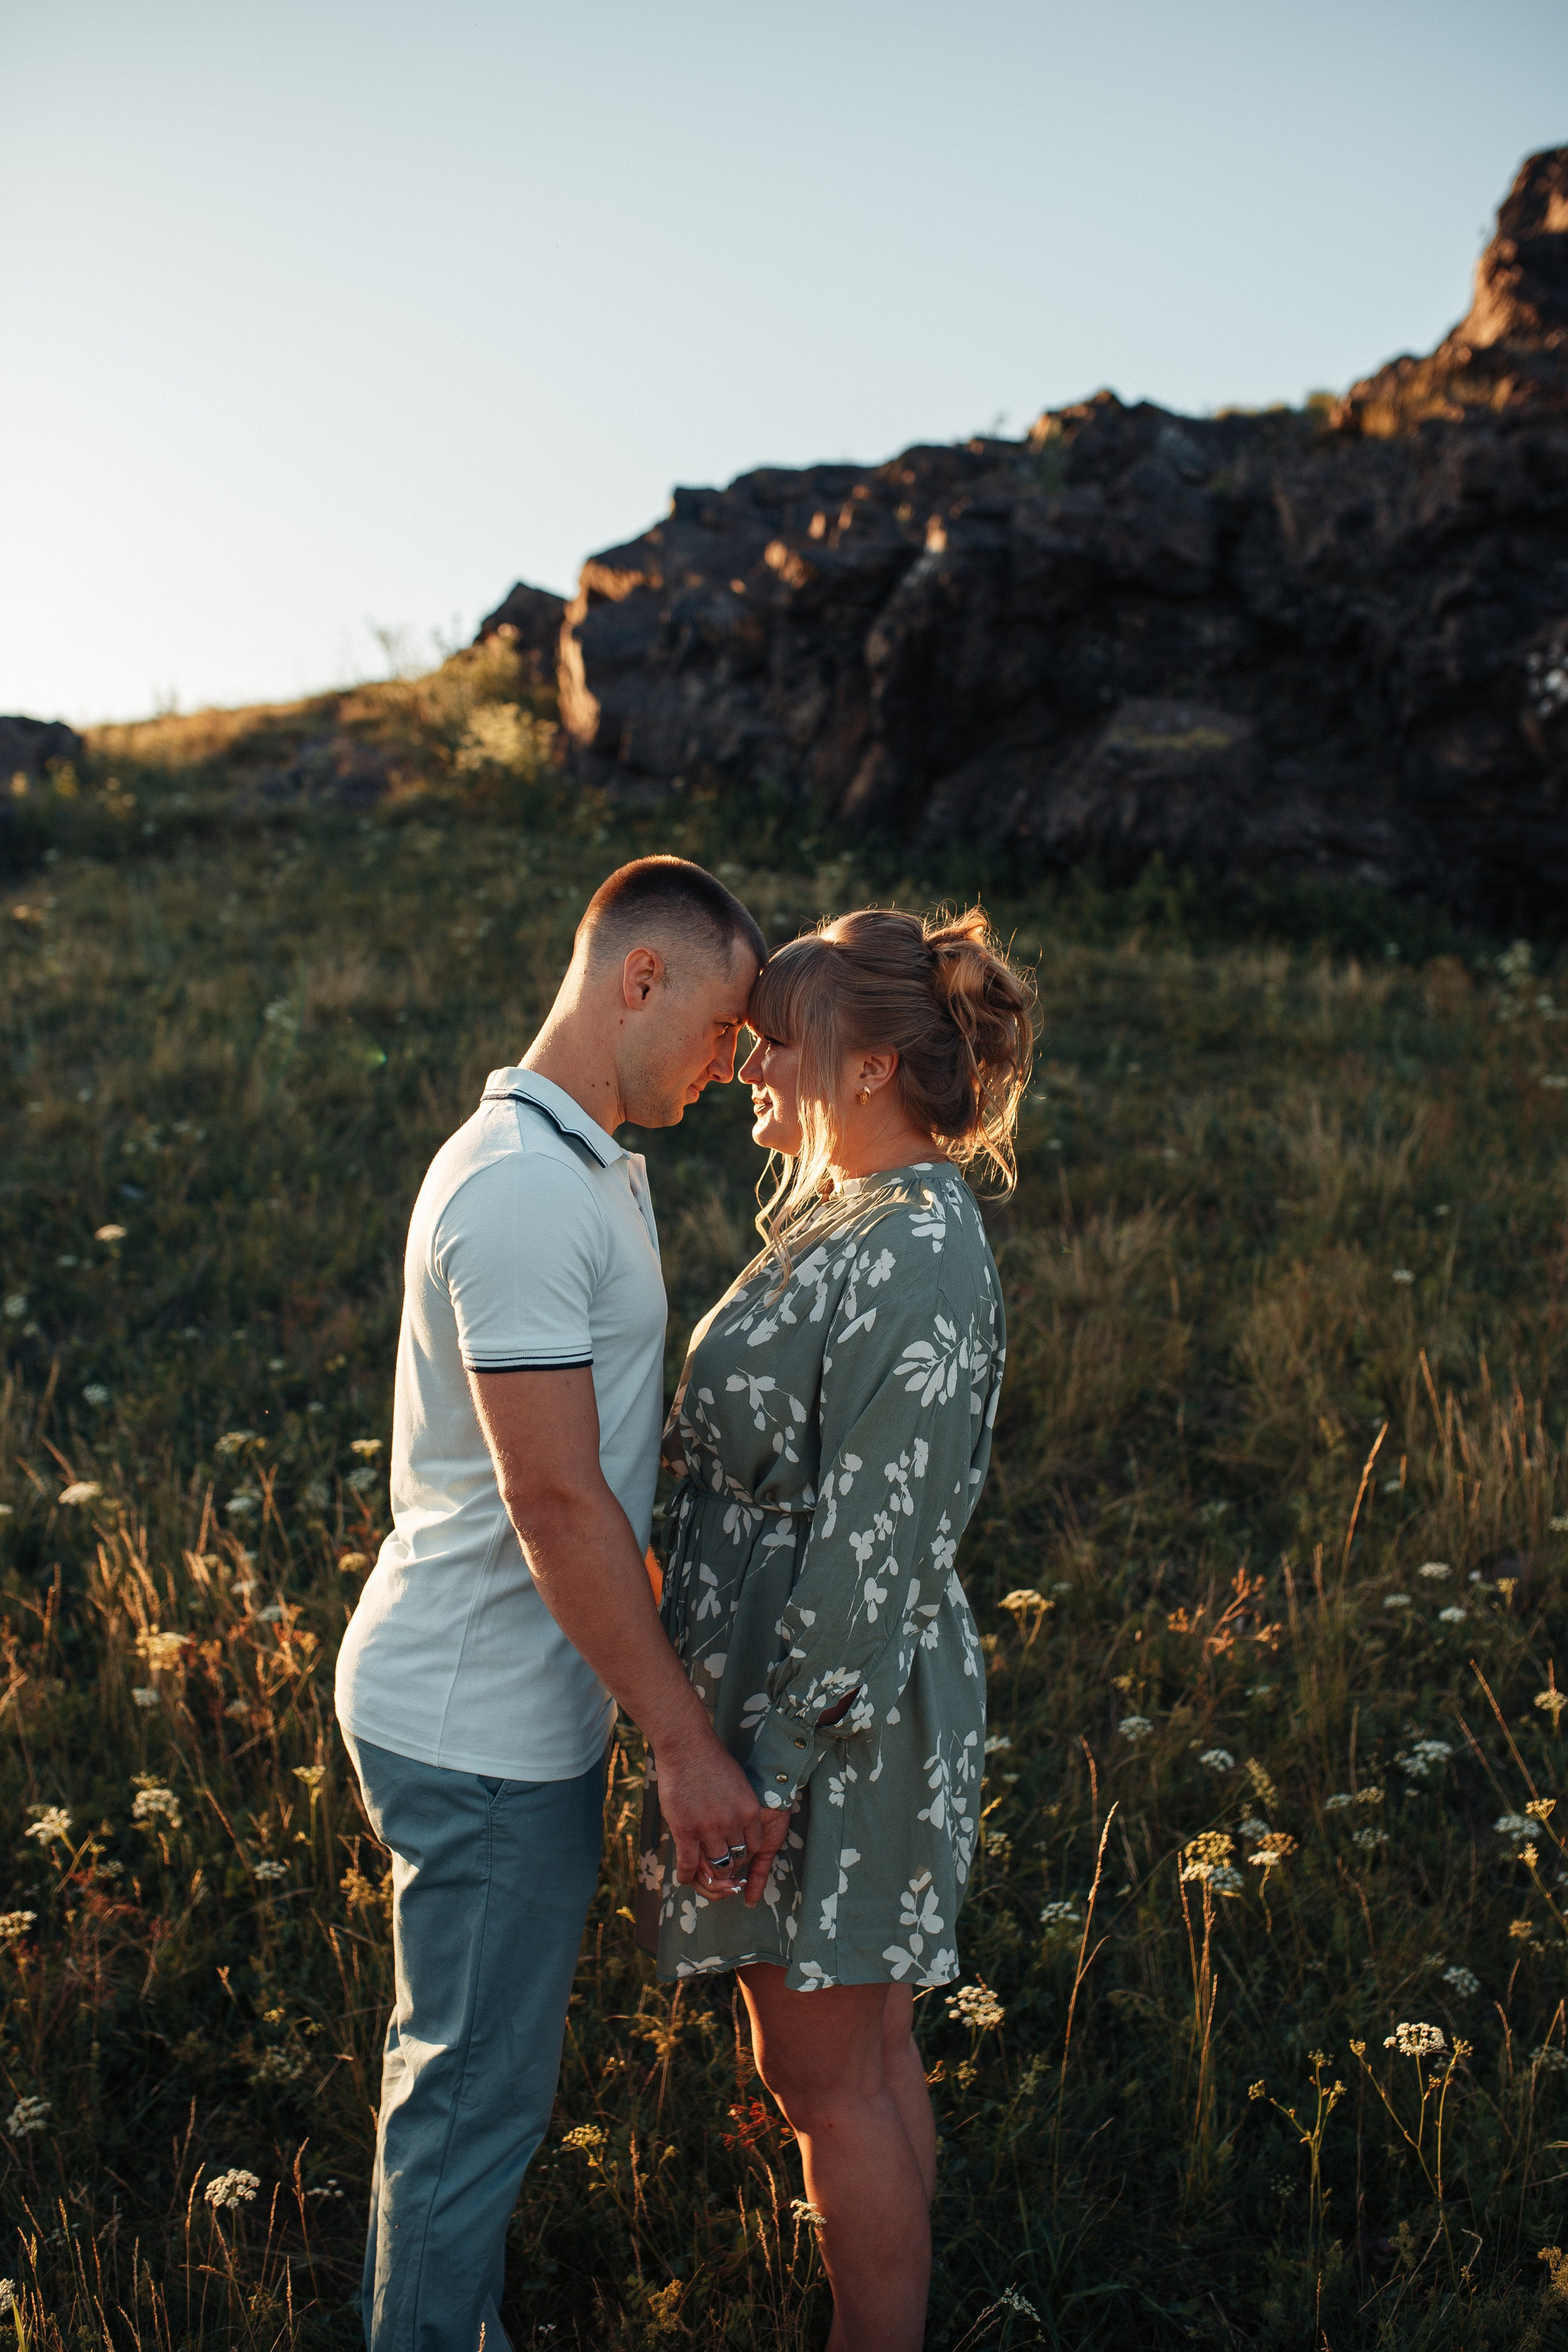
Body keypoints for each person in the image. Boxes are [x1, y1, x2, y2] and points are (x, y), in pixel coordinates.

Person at [335, 856, 769, 2352]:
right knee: (467, 2101)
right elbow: (556, 1502)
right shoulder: (523, 1186)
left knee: (466, 2084)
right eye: (721, 1027)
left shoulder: (568, 1162)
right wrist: (681, 1741)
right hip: (478, 1723)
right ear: (636, 978)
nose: (731, 1065)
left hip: (503, 1703)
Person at [636, 903, 1035, 2352]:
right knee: (859, 2059)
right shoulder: (855, 1220)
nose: (748, 1067)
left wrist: (773, 1766)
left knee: (825, 2083)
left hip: (832, 1711)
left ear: (866, 1065)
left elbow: (878, 1537)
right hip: (812, 1696)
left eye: (775, 1044)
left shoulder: (917, 1241)